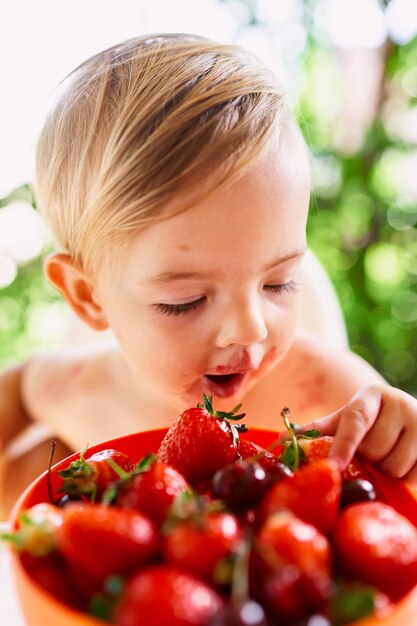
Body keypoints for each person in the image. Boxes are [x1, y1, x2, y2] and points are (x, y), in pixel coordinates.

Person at [1, 33, 416, 517]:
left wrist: (406, 445)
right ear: (88, 296)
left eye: (278, 283)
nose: (251, 329)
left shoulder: (329, 391)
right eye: (186, 300)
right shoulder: (74, 389)